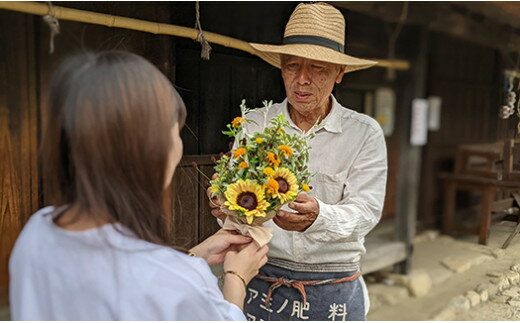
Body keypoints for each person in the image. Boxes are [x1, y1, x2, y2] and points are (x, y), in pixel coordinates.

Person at [9, 50, 268, 320]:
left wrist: (195, 256)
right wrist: (236, 278)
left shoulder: (38, 231)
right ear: (149, 153)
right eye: (175, 133)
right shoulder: (178, 282)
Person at [209, 2, 387, 321]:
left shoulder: (364, 133)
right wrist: (229, 208)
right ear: (281, 67)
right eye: (292, 65)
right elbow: (237, 205)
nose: (302, 79)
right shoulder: (254, 124)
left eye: (317, 67)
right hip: (259, 276)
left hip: (333, 283)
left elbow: (367, 211)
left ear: (340, 72)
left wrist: (320, 216)